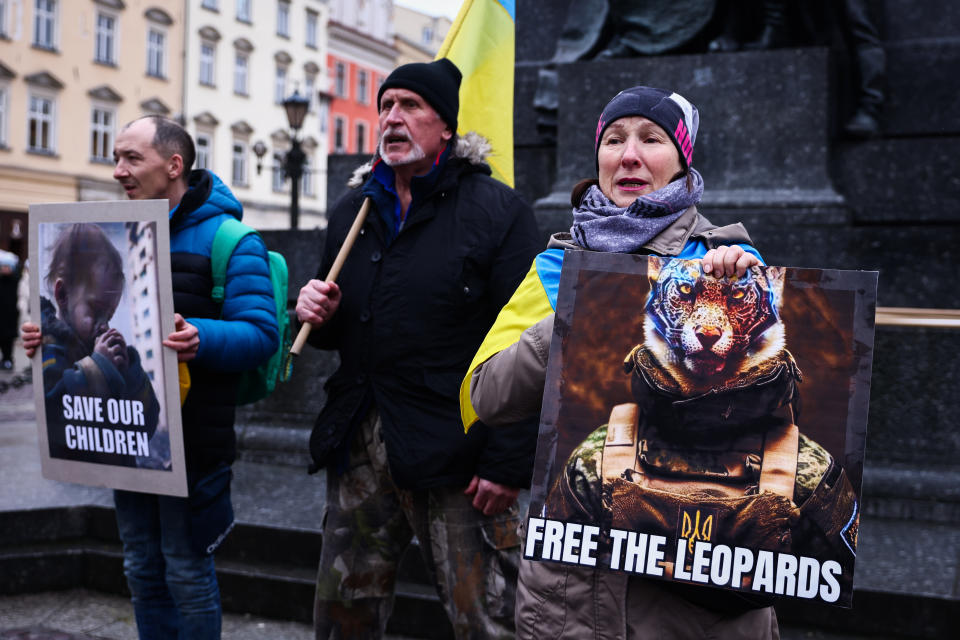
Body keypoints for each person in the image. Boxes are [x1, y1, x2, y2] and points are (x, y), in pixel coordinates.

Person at [463, 86, 786, 638]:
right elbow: (484, 396)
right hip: (571, 595)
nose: (628, 154)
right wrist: (578, 312)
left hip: (692, 600)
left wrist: (746, 294)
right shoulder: (555, 267)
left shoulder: (727, 263)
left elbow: (779, 410)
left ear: (683, 162)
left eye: (651, 139)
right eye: (614, 140)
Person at [296, 58, 540, 639]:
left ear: (446, 128)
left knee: (485, 620)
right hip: (360, 440)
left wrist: (507, 461)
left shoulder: (496, 212)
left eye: (410, 106)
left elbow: (531, 342)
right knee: (343, 614)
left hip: (457, 451)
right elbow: (339, 328)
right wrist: (314, 315)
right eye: (385, 106)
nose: (391, 118)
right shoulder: (355, 210)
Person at [21, 115, 278, 639]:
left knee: (186, 570)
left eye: (131, 159)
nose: (118, 171)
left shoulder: (231, 239)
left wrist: (200, 337)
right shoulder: (119, 232)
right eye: (116, 157)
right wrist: (45, 341)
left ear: (174, 165)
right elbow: (84, 328)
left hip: (194, 444)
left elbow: (261, 333)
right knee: (140, 567)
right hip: (128, 439)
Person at [39, 223, 160, 466]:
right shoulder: (49, 348)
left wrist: (131, 373)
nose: (104, 326)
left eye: (110, 314)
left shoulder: (111, 353)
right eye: (95, 311)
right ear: (63, 296)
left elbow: (146, 426)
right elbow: (54, 415)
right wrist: (97, 368)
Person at [0, 247, 22, 369]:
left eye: (7, 267)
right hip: (1, 315)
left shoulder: (15, 281)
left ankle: (8, 359)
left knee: (8, 341)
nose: (4, 269)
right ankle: (4, 359)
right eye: (3, 266)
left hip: (11, 316)